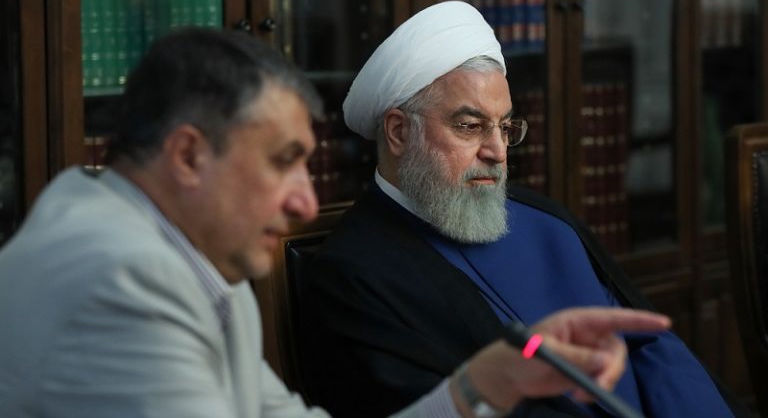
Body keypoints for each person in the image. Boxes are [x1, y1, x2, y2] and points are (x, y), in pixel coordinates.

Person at [0, 28, 671, 418]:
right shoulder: (121, 279)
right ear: (188, 156)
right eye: (282, 162)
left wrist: (485, 383)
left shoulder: (185, 252)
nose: (304, 203)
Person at [298, 1, 749, 418]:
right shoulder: (353, 276)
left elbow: (650, 346)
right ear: (398, 132)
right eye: (471, 126)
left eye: (505, 127)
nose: (497, 152)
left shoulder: (545, 222)